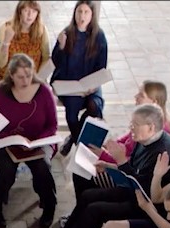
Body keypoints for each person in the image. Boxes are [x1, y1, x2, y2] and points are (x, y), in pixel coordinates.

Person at [46, 104, 170, 228]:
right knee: (88, 195)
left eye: (135, 125)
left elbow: (147, 191)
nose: (130, 128)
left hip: (147, 206)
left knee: (95, 210)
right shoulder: (144, 139)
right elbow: (133, 170)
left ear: (151, 127)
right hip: (133, 192)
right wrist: (109, 165)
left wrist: (121, 161)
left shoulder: (164, 152)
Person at [0, 54, 58, 228]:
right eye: (20, 77)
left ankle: (49, 206)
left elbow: (52, 124)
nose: (25, 81)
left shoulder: (43, 92)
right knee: (6, 168)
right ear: (11, 75)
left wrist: (37, 141)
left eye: (28, 75)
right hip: (7, 142)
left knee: (42, 165)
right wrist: (10, 139)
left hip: (38, 142)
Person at [51, 1, 108, 154]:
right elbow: (56, 62)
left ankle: (74, 136)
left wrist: (93, 86)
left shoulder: (99, 36)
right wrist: (61, 47)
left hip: (90, 84)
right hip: (69, 83)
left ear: (92, 15)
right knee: (71, 115)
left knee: (95, 107)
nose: (82, 16)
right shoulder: (67, 33)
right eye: (79, 12)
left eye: (86, 12)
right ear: (74, 13)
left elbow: (101, 67)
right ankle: (80, 146)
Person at [0, 1, 50, 81]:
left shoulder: (42, 30)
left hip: (31, 81)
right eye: (26, 11)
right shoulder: (6, 27)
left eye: (34, 11)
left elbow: (46, 58)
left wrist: (38, 79)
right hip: (8, 81)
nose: (30, 15)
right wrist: (6, 42)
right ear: (19, 12)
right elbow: (0, 63)